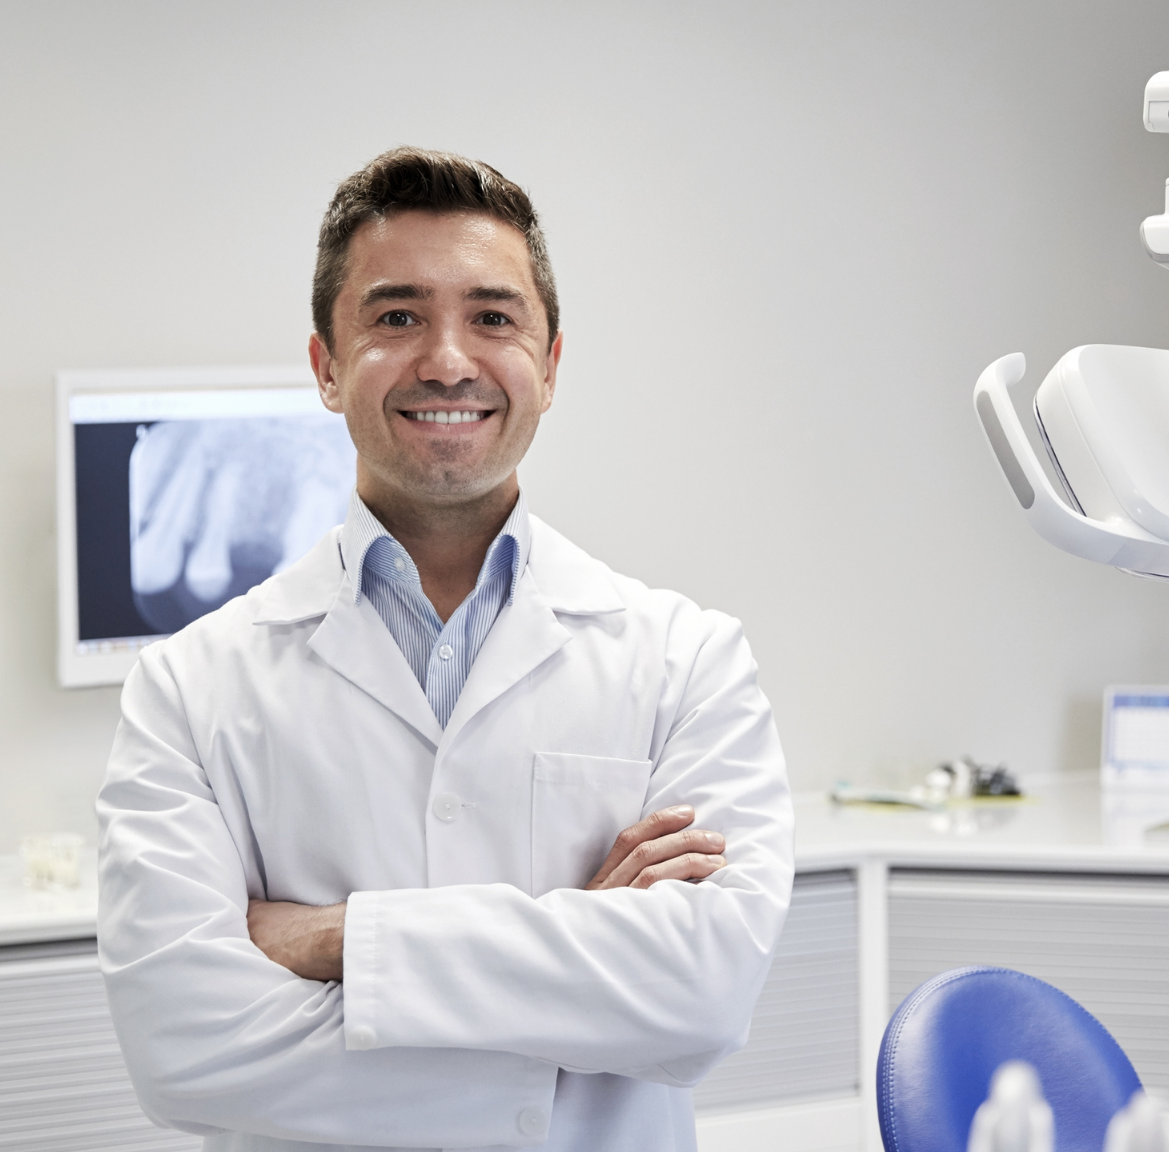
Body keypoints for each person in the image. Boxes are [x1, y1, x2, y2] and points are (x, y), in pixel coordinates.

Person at [96, 146, 794, 1152]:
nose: (448, 360)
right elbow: (182, 1049)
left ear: (550, 366)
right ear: (325, 368)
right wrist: (572, 964)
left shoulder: (686, 660)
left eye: (492, 317)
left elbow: (700, 998)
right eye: (395, 317)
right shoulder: (189, 686)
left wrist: (336, 938)